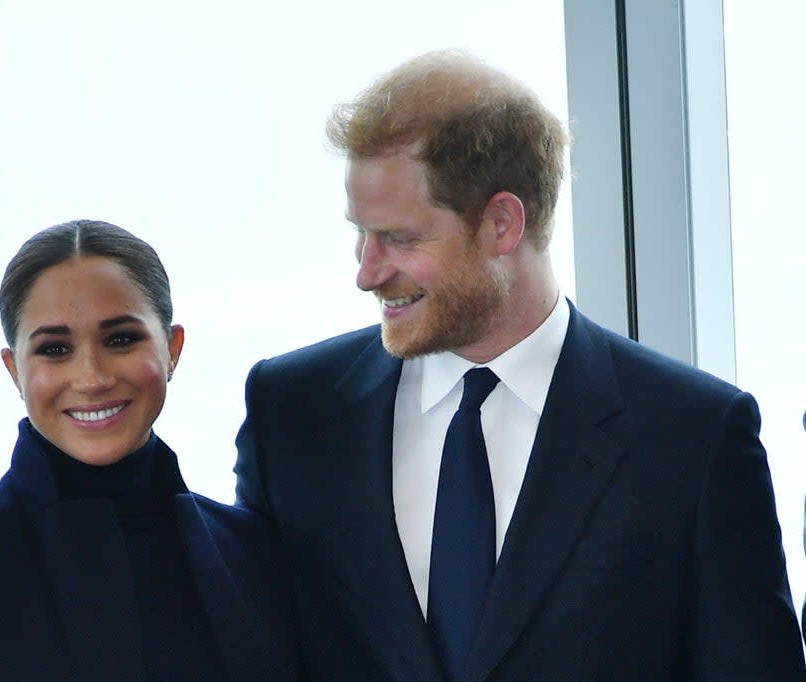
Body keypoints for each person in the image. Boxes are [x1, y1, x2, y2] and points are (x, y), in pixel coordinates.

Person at [234, 50, 805, 681]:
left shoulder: (694, 435)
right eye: (360, 234)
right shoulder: (291, 409)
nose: (367, 272)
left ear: (502, 223)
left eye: (399, 237)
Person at [0, 219, 301, 681]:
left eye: (121, 339)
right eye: (55, 348)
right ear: (14, 369)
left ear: (172, 348)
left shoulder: (258, 552)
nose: (93, 378)